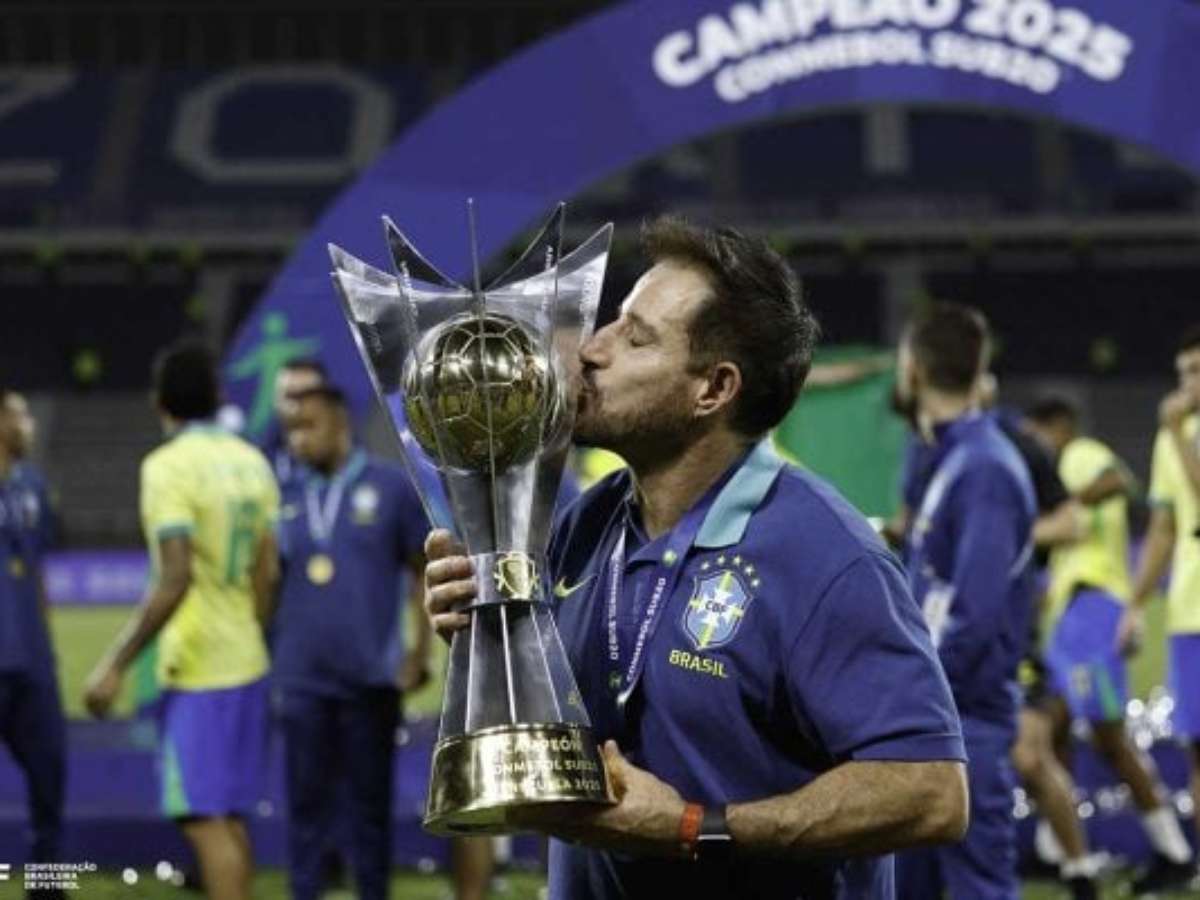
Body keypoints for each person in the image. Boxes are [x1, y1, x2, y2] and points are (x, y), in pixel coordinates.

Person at [426, 217, 968, 899]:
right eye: (612, 322)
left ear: (713, 389)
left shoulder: (825, 557)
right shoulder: (586, 524)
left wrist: (693, 827)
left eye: (636, 338)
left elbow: (931, 793)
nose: (592, 349)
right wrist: (488, 639)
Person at [889, 373, 1100, 898]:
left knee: (1029, 755)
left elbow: (1072, 523)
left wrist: (993, 535)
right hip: (946, 638)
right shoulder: (927, 451)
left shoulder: (1013, 447)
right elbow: (915, 524)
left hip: (1003, 632)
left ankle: (1080, 868)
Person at [84, 341, 279, 900]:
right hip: (247, 659)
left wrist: (114, 664)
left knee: (201, 817)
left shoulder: (167, 468)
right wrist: (252, 628)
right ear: (218, 396)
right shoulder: (252, 460)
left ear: (159, 403)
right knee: (229, 815)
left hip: (200, 669)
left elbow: (175, 577)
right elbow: (268, 572)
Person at [262, 384, 432, 900]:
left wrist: (418, 652)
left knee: (369, 811)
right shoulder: (284, 495)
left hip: (370, 679)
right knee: (306, 807)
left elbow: (421, 572)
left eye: (308, 426)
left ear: (340, 424)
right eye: (291, 429)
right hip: (302, 679)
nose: (297, 439)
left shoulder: (390, 487)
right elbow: (268, 581)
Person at [892, 305, 1036, 900]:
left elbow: (974, 614)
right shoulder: (951, 456)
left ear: (914, 371)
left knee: (978, 888)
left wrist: (912, 692)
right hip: (935, 714)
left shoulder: (984, 468)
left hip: (961, 717)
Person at [1025, 395, 1195, 891]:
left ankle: (1174, 851)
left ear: (1059, 427)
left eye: (1037, 435)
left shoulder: (1078, 454)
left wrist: (1066, 507)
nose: (1035, 446)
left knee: (1108, 737)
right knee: (1050, 730)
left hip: (1094, 613)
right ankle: (1054, 849)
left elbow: (1118, 479)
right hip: (1071, 618)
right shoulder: (1059, 476)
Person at [1120, 325, 1200, 893]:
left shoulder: (1177, 434)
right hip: (1189, 613)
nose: (1187, 384)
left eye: (1197, 372)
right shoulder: (1172, 438)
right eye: (1182, 373)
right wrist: (1134, 603)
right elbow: (1164, 530)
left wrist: (1175, 431)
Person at [0, 388, 66, 899]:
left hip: (31, 661)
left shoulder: (32, 484)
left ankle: (47, 888)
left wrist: (45, 640)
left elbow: (37, 568)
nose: (29, 424)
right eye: (19, 415)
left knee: (50, 778)